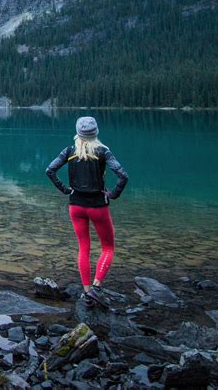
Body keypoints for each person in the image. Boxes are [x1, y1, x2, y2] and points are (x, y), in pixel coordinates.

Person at [45, 116, 128, 308]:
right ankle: (97, 288)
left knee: (84, 247)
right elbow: (123, 175)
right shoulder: (103, 151)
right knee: (108, 247)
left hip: (76, 206)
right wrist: (113, 194)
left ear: (78, 132)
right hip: (98, 206)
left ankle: (86, 291)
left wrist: (65, 190)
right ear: (96, 132)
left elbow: (50, 170)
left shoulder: (69, 151)